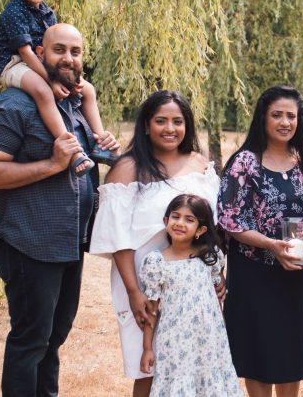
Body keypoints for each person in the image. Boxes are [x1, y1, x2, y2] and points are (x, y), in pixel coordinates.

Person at [0, 23, 118, 396]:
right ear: (39, 54)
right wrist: (51, 165)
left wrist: (108, 147)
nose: (68, 58)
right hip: (30, 241)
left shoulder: (73, 106)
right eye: (59, 50)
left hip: (69, 243)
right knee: (31, 340)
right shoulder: (14, 106)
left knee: (54, 338)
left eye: (75, 51)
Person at [88, 90, 220, 397]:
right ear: (146, 126)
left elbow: (214, 227)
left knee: (196, 363)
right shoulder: (128, 168)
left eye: (178, 121)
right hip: (147, 282)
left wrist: (217, 274)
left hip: (196, 284)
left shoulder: (200, 164)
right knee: (150, 365)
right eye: (161, 121)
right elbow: (117, 237)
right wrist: (134, 292)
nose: (170, 128)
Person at [218, 86, 303, 397]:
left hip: (293, 271)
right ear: (263, 118)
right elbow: (230, 219)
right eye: (277, 115)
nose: (285, 122)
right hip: (253, 270)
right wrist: (272, 245)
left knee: (291, 349)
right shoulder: (244, 162)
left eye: (291, 115)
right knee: (258, 351)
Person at [0, 0, 114, 174]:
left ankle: (99, 142)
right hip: (14, 63)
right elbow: (26, 53)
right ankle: (72, 150)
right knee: (43, 92)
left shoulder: (48, 13)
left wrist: (70, 79)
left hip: (38, 61)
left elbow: (49, 49)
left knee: (87, 89)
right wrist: (51, 81)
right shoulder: (14, 12)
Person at [138, 194, 240, 396]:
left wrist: (221, 330)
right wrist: (147, 348)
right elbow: (152, 309)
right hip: (175, 342)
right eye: (175, 217)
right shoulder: (157, 262)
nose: (180, 223)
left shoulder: (209, 256)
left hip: (209, 339)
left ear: (201, 230)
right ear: (166, 221)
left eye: (189, 219)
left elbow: (215, 299)